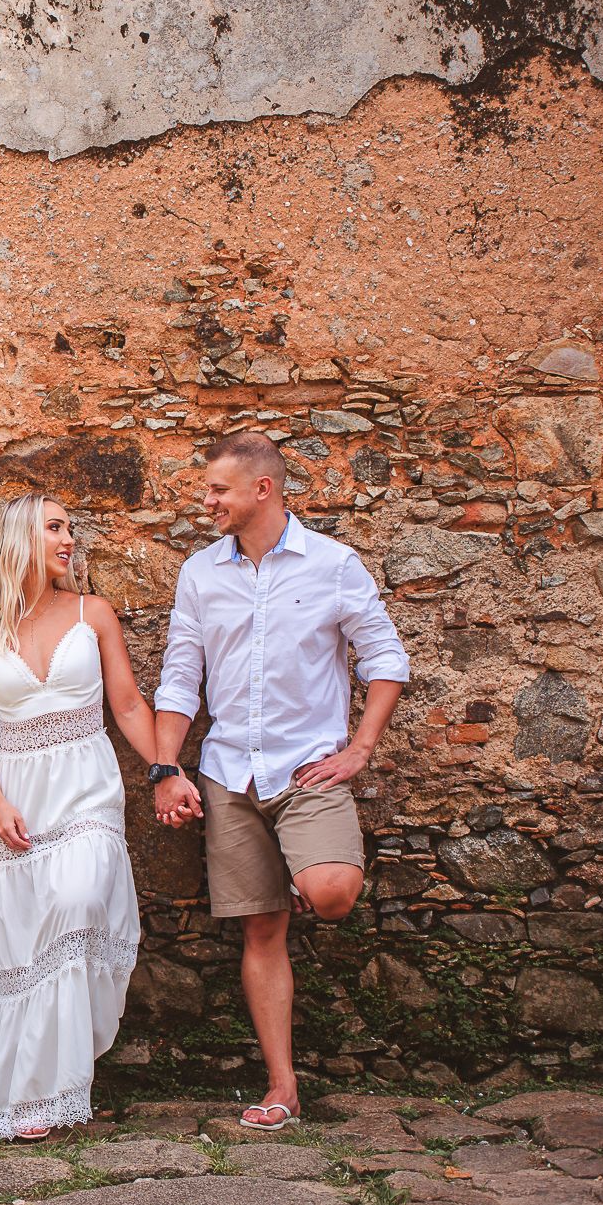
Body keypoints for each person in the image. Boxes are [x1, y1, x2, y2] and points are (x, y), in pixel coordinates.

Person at [150, 431, 410, 1131]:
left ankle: (304, 871)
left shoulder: (331, 564)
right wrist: (167, 768)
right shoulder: (201, 573)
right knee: (261, 929)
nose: (207, 501)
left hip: (306, 767)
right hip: (228, 772)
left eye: (218, 490)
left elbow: (385, 657)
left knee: (331, 893)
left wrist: (359, 747)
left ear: (262, 489)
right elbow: (181, 676)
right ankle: (282, 1085)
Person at [0, 493, 157, 1140]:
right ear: (21, 538)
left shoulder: (94, 614)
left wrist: (165, 768)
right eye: (56, 528)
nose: (70, 539)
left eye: (69, 528)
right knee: (31, 947)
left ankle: (66, 1069)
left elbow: (126, 706)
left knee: (79, 897)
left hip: (88, 787)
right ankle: (36, 1092)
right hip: (18, 798)